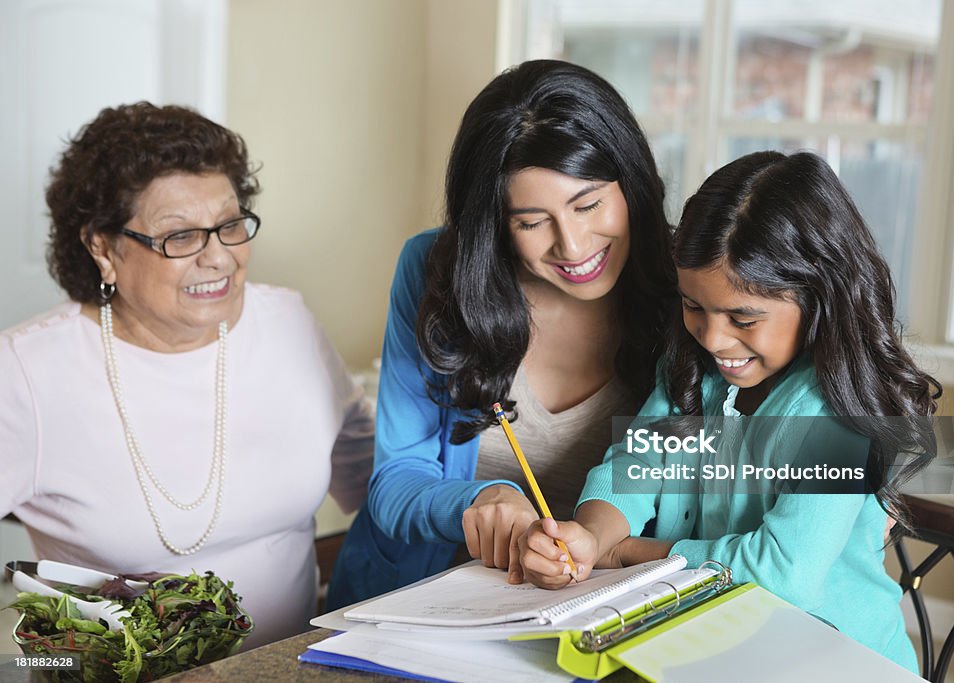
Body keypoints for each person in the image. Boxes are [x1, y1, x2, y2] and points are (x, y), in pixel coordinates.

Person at [517, 151, 941, 672]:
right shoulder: (690, 366)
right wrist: (589, 537)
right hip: (723, 650)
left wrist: (627, 554)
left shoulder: (836, 415)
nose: (713, 338)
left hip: (840, 664)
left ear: (819, 299)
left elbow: (782, 574)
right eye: (694, 306)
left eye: (744, 317)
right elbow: (633, 471)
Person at [0, 102, 375, 649]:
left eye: (229, 225)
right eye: (180, 237)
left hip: (286, 667)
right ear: (102, 247)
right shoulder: (28, 370)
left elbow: (372, 480)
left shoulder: (287, 322)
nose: (218, 258)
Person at [326, 59, 678, 608]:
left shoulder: (692, 290)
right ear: (494, 223)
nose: (574, 245)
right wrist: (479, 500)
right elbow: (395, 483)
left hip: (610, 605)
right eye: (532, 222)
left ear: (630, 182)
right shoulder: (434, 270)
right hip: (424, 602)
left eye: (588, 204)